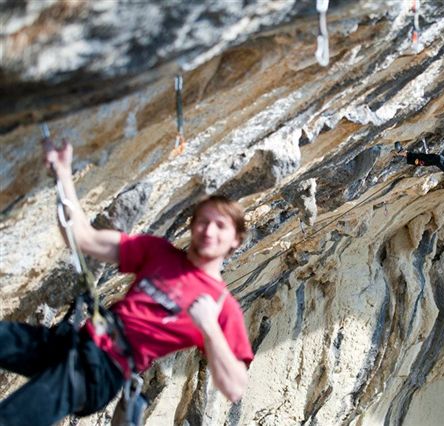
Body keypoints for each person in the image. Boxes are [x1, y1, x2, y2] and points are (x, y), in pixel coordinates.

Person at [0, 138, 254, 426]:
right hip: (76, 344)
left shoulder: (222, 307)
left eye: (220, 226)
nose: (209, 231)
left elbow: (235, 388)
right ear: (192, 226)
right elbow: (83, 238)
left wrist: (209, 327)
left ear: (236, 239)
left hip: (101, 370)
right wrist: (62, 173)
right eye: (203, 222)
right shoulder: (157, 252)